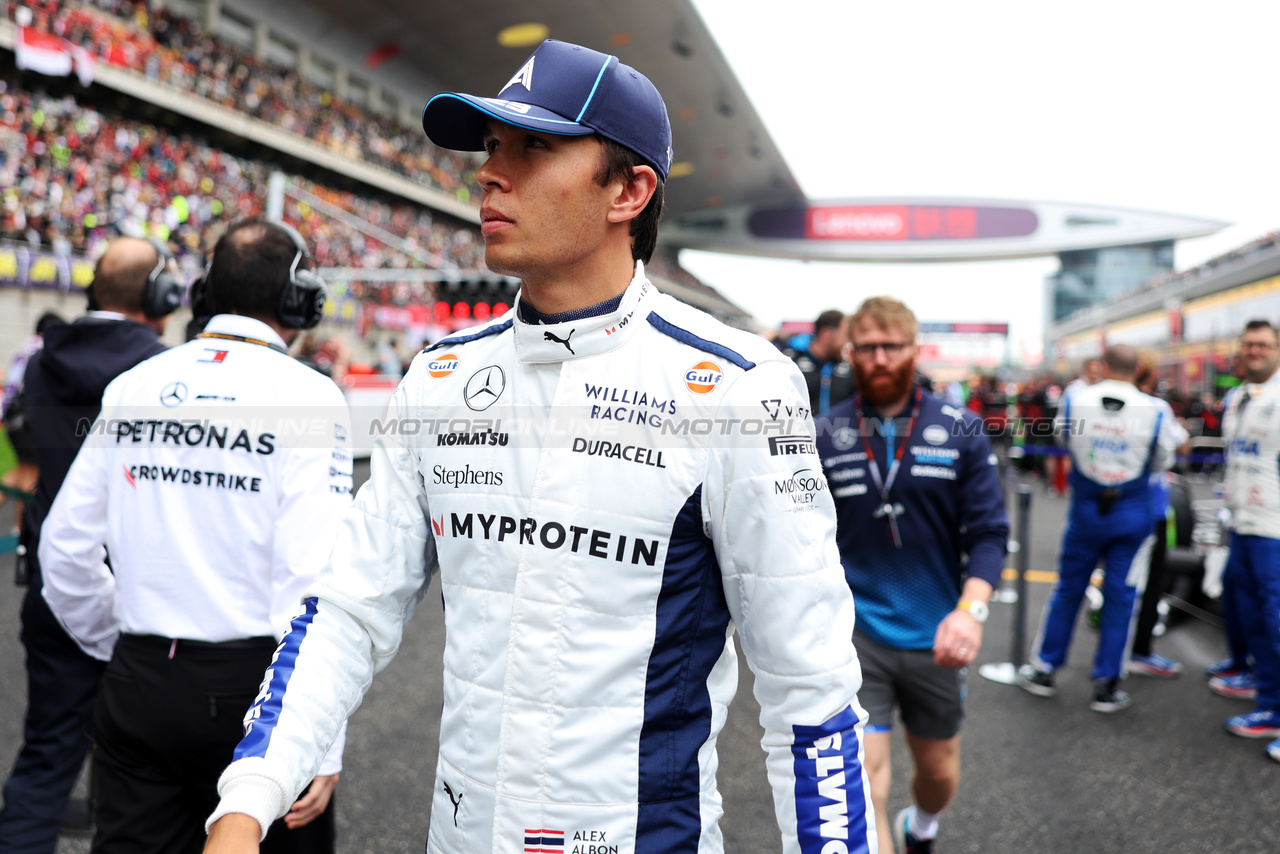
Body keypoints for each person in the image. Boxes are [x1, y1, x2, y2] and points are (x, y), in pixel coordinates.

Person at [203, 39, 876, 854]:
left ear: (630, 190)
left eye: (536, 147)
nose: (491, 172)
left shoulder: (738, 387)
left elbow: (811, 695)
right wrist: (246, 802)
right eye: (491, 148)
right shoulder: (441, 377)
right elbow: (347, 610)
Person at [38, 219, 353, 853]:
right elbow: (308, 579)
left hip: (138, 678)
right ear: (301, 300)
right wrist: (321, 735)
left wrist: (120, 646)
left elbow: (64, 549)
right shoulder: (309, 397)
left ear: (205, 295)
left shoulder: (132, 388)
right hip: (254, 691)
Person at [818, 296, 1008, 854]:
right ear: (851, 352)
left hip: (938, 633)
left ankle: (921, 827)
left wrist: (970, 613)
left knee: (938, 774)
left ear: (914, 350)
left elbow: (990, 534)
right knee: (865, 782)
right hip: (857, 635)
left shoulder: (960, 430)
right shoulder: (823, 433)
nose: (879, 358)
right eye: (868, 347)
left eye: (892, 346)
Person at [0, 240, 170, 854]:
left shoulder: (44, 358)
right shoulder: (162, 370)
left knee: (46, 754)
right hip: (138, 596)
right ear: (161, 296)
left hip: (53, 579)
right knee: (148, 779)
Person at [1017, 344, 1187, 713]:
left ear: (1104, 366)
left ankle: (1045, 668)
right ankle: (1107, 684)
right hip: (1133, 510)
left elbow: (1063, 440)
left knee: (1068, 588)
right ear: (1137, 367)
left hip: (1087, 508)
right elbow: (1164, 459)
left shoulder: (1076, 398)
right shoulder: (1157, 409)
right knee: (1122, 596)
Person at [1216, 319, 1280, 760]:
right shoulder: (1236, 397)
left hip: (1274, 529)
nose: (1254, 351)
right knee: (1249, 614)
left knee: (1276, 620)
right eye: (1248, 345)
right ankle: (1270, 704)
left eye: (1263, 344)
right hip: (1242, 522)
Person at [1128, 355, 1188, 678]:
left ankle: (1116, 657)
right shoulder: (1155, 408)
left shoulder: (1090, 402)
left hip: (1107, 509)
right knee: (1149, 580)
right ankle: (1138, 650)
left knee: (1120, 581)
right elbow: (1179, 445)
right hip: (1149, 508)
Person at [785, 308, 854, 414]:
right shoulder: (791, 362)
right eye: (845, 336)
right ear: (826, 334)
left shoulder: (849, 367)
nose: (847, 342)